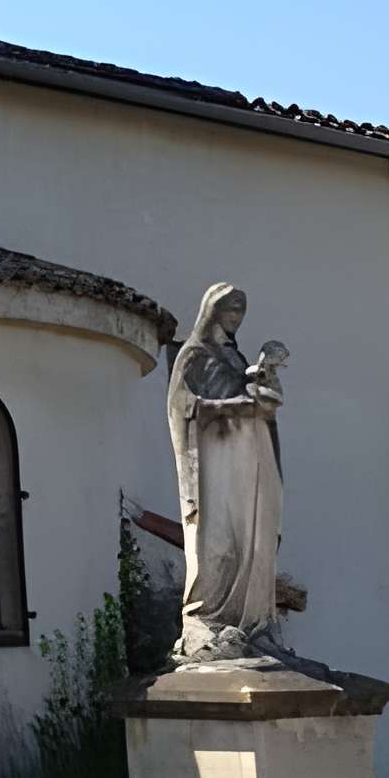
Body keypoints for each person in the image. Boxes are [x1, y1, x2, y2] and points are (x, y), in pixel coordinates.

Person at [168, 283, 286, 662]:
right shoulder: (193, 355)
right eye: (230, 309)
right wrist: (237, 406)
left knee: (250, 542)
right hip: (213, 463)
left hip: (247, 460)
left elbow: (258, 405)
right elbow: (184, 407)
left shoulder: (239, 360)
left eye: (241, 310)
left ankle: (251, 622)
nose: (236, 317)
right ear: (213, 311)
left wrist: (264, 387)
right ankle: (207, 623)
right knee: (217, 544)